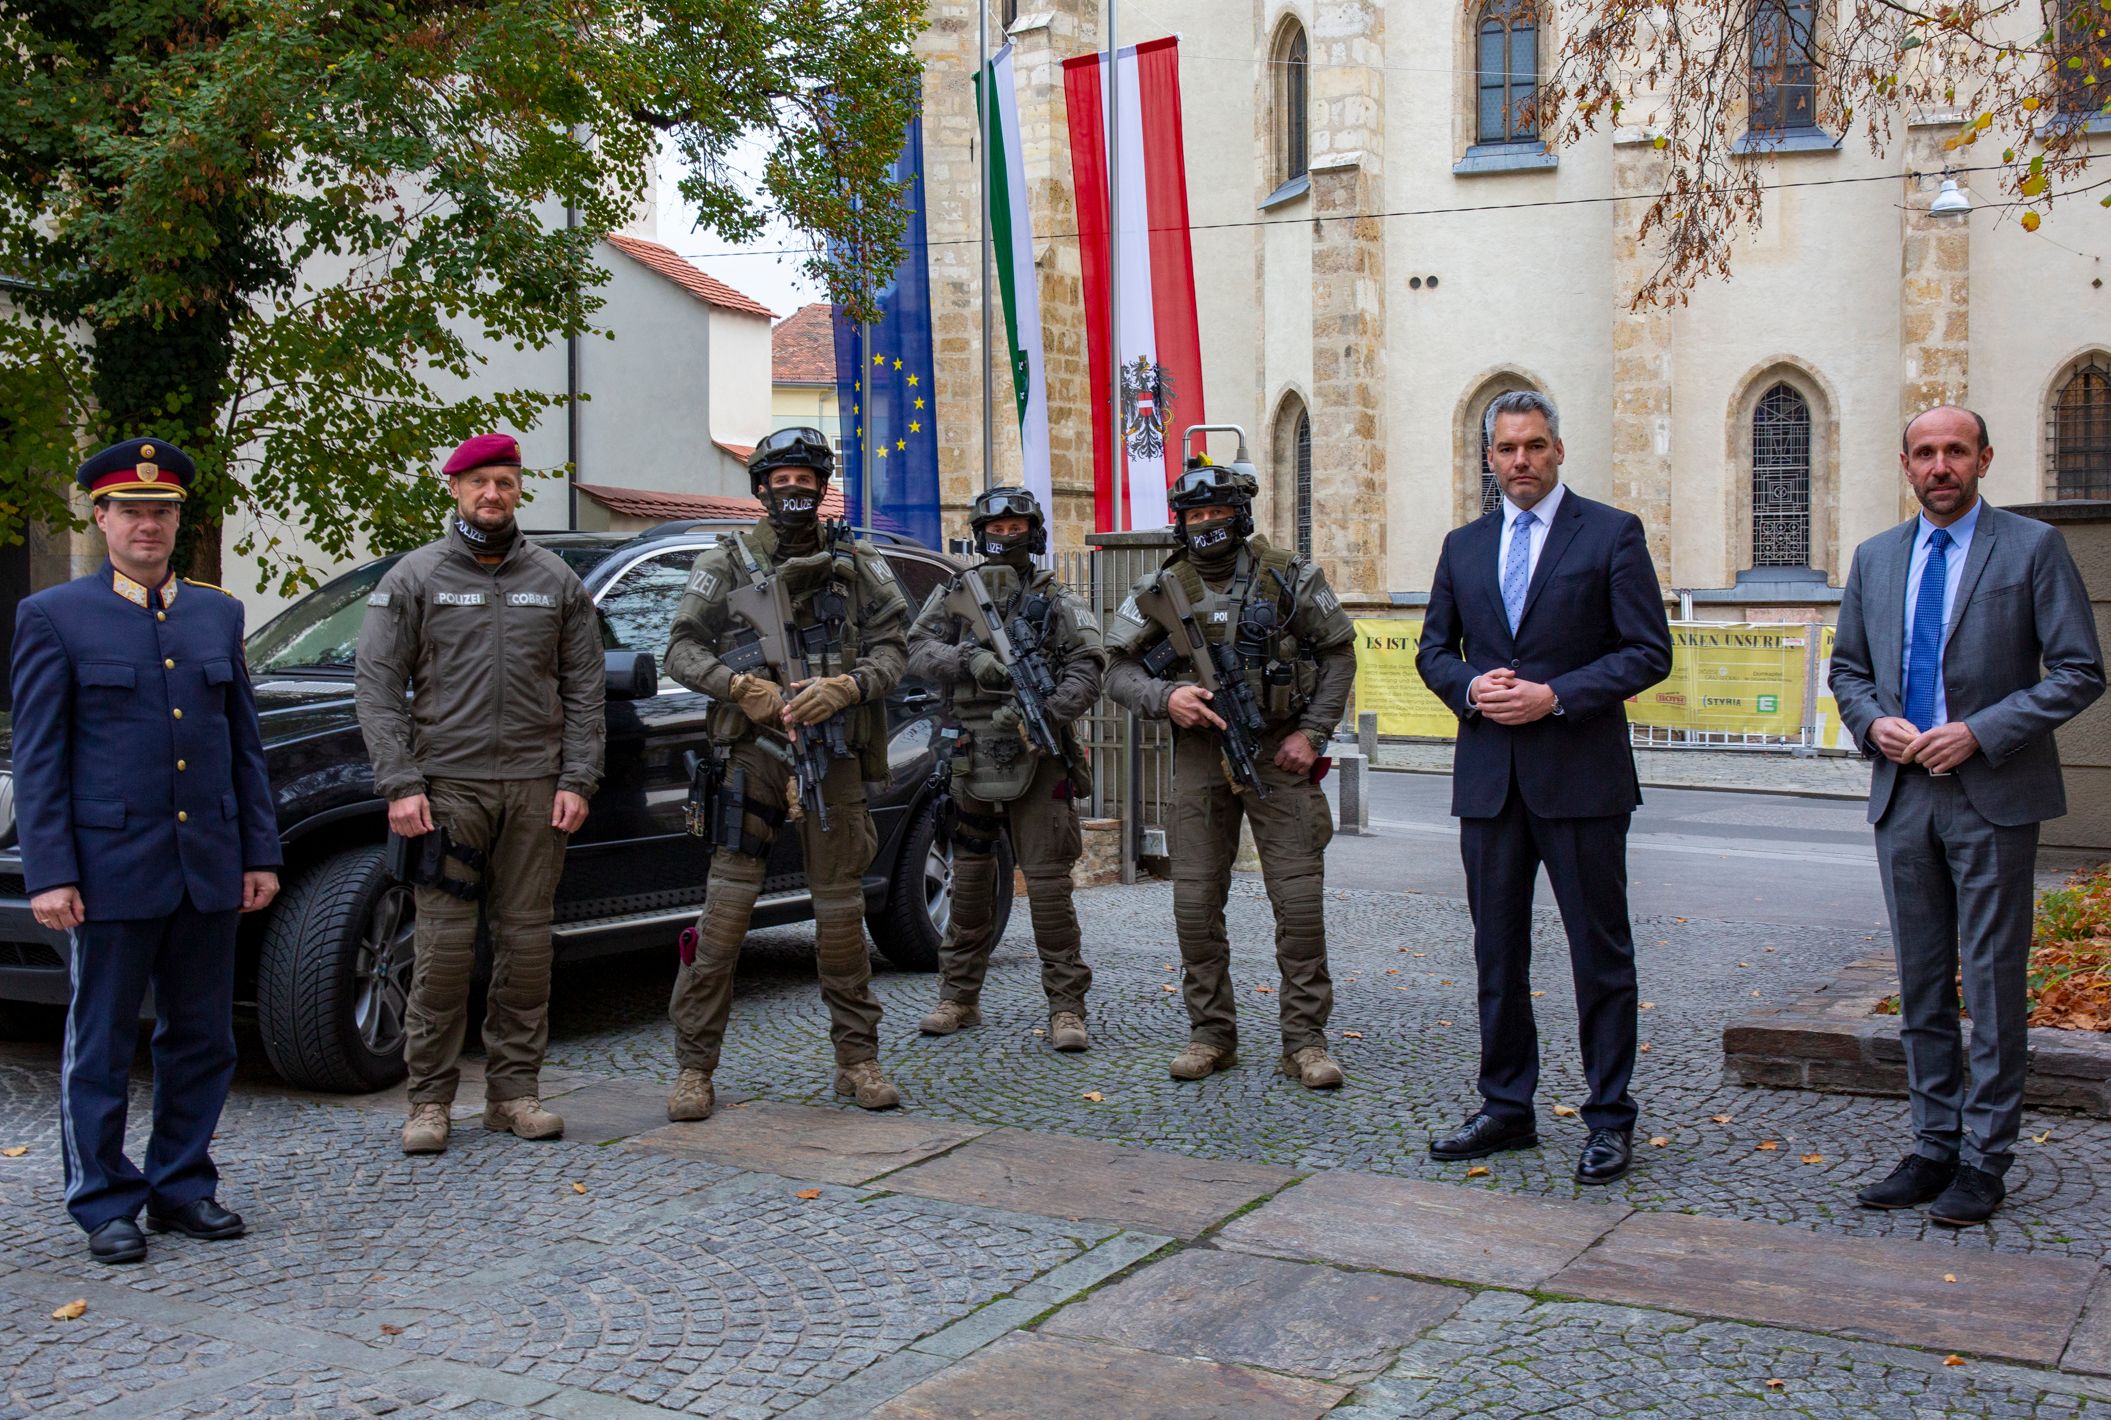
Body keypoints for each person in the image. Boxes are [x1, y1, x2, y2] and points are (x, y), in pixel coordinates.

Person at [1830, 405, 2104, 1225]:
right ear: (1905, 464)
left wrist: (1980, 733)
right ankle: (1931, 1144)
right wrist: (1871, 720)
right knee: (1918, 983)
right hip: (1902, 790)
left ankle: (1985, 1161)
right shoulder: (1875, 558)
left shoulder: (2029, 548)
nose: (1939, 465)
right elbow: (1847, 669)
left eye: (1955, 451)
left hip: (1991, 794)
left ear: (1983, 457)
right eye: (1924, 452)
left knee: (1989, 983)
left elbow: (2078, 670)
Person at [10, 438, 281, 1263]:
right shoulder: (54, 616)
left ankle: (181, 1186)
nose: (148, 525)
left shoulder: (216, 612)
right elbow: (40, 756)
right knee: (99, 1045)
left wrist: (257, 853)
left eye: (161, 512)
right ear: (101, 517)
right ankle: (102, 1200)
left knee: (202, 1038)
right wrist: (49, 871)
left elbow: (243, 746)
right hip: (108, 872)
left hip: (206, 867)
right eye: (131, 511)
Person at [1415, 390, 1672, 1185]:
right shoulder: (1463, 545)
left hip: (1580, 779)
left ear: (1557, 449)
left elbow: (1646, 651)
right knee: (1497, 951)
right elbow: (1431, 650)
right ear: (1488, 458)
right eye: (1505, 450)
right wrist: (1469, 687)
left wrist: (1553, 695)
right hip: (1489, 781)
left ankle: (1608, 1118)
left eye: (1532, 446)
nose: (1519, 461)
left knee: (1599, 955)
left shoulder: (1610, 533)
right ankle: (1505, 1108)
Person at [354, 433, 606, 1155]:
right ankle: (429, 1103)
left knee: (526, 950)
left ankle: (515, 1095)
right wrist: (400, 784)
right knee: (442, 951)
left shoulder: (556, 580)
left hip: (535, 791)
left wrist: (577, 778)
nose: (490, 494)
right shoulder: (414, 578)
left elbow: (586, 690)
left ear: (519, 488)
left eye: (503, 481)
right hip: (448, 793)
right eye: (477, 483)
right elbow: (375, 689)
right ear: (454, 489)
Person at [660, 427, 910, 1120]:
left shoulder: (858, 562)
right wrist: (740, 688)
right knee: (723, 921)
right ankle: (694, 1069)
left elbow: (898, 648)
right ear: (761, 486)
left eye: (806, 477)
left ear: (821, 484)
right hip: (751, 758)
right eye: (782, 477)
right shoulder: (726, 562)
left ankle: (856, 1060)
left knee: (839, 917)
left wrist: (851, 687)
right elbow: (680, 649)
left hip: (832, 756)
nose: (794, 488)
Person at [1104, 453, 1357, 1089]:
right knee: (1193, 903)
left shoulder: (1287, 576)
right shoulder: (1157, 590)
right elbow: (1114, 669)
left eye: (1218, 511)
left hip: (1280, 755)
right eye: (1195, 514)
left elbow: (1339, 654)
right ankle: (1211, 1034)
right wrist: (1167, 698)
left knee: (1298, 905)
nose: (1207, 523)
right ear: (1180, 522)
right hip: (1198, 758)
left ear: (1239, 514)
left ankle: (1305, 1042)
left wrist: (1312, 732)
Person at [906, 487, 1106, 1049]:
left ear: (1034, 532)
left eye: (1018, 525)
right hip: (972, 754)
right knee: (969, 883)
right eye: (996, 526)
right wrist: (969, 659)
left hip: (1038, 756)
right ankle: (957, 998)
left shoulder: (1057, 598)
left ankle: (1067, 1009)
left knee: (1047, 889)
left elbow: (1088, 667)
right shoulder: (956, 591)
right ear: (978, 531)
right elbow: (915, 650)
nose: (1006, 534)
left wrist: (1043, 711)